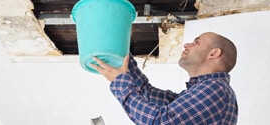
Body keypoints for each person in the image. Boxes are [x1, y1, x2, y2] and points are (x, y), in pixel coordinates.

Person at [90, 32, 238, 125]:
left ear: (214, 53)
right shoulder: (203, 91)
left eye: (196, 42)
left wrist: (120, 82)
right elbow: (147, 93)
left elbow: (159, 121)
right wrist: (122, 55)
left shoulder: (215, 89)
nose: (187, 44)